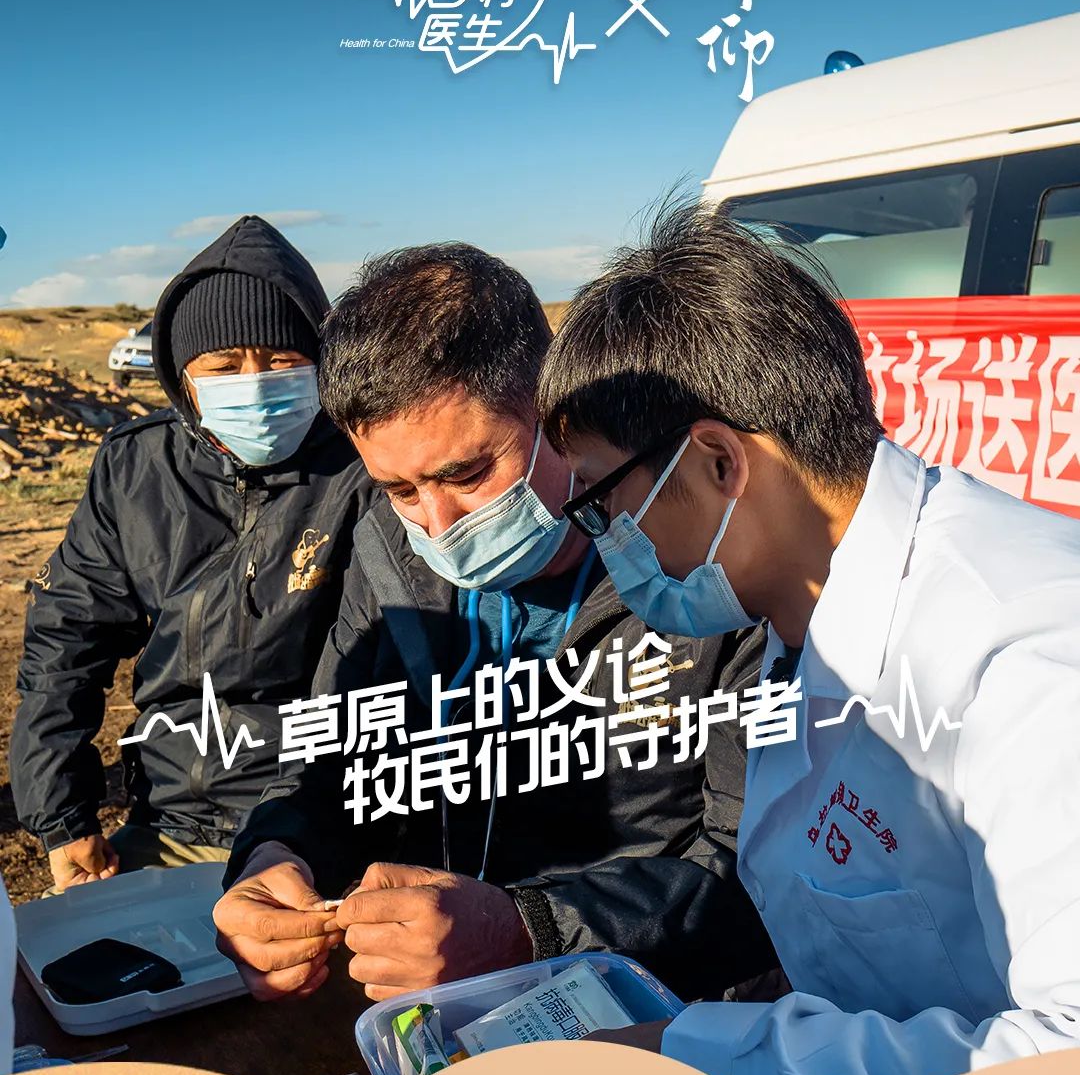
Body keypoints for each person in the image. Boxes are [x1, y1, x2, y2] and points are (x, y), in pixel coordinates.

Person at [536, 199, 1080, 1075]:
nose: (607, 544)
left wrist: (701, 1065)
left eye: (603, 504)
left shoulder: (1025, 653)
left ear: (718, 462)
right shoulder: (800, 617)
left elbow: (1062, 1070)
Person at [214, 243, 774, 1004]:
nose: (439, 524)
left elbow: (762, 864)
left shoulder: (695, 556)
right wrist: (277, 854)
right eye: (400, 489)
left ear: (554, 415)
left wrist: (530, 931)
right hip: (446, 1002)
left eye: (469, 474)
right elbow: (332, 764)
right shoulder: (386, 553)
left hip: (666, 1011)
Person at [11, 217, 371, 889]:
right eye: (225, 366)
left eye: (281, 360)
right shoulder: (136, 467)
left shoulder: (367, 467)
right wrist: (63, 817)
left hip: (326, 822)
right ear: (184, 378)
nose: (255, 383)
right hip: (172, 819)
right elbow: (67, 636)